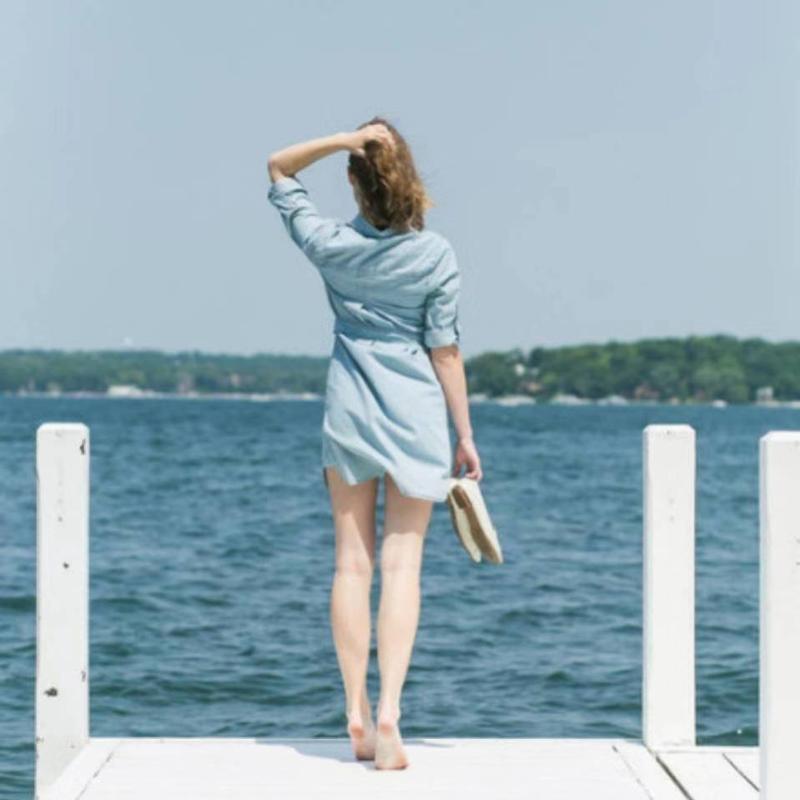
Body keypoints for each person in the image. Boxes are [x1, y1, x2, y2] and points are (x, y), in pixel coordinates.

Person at [266, 117, 482, 770]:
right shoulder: (435, 255)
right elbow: (445, 352)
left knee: (350, 566)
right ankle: (390, 711)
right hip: (416, 414)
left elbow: (278, 166)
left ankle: (355, 712)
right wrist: (465, 435)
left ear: (355, 181)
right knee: (402, 566)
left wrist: (343, 140)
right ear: (409, 176)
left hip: (350, 410)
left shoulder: (331, 244)